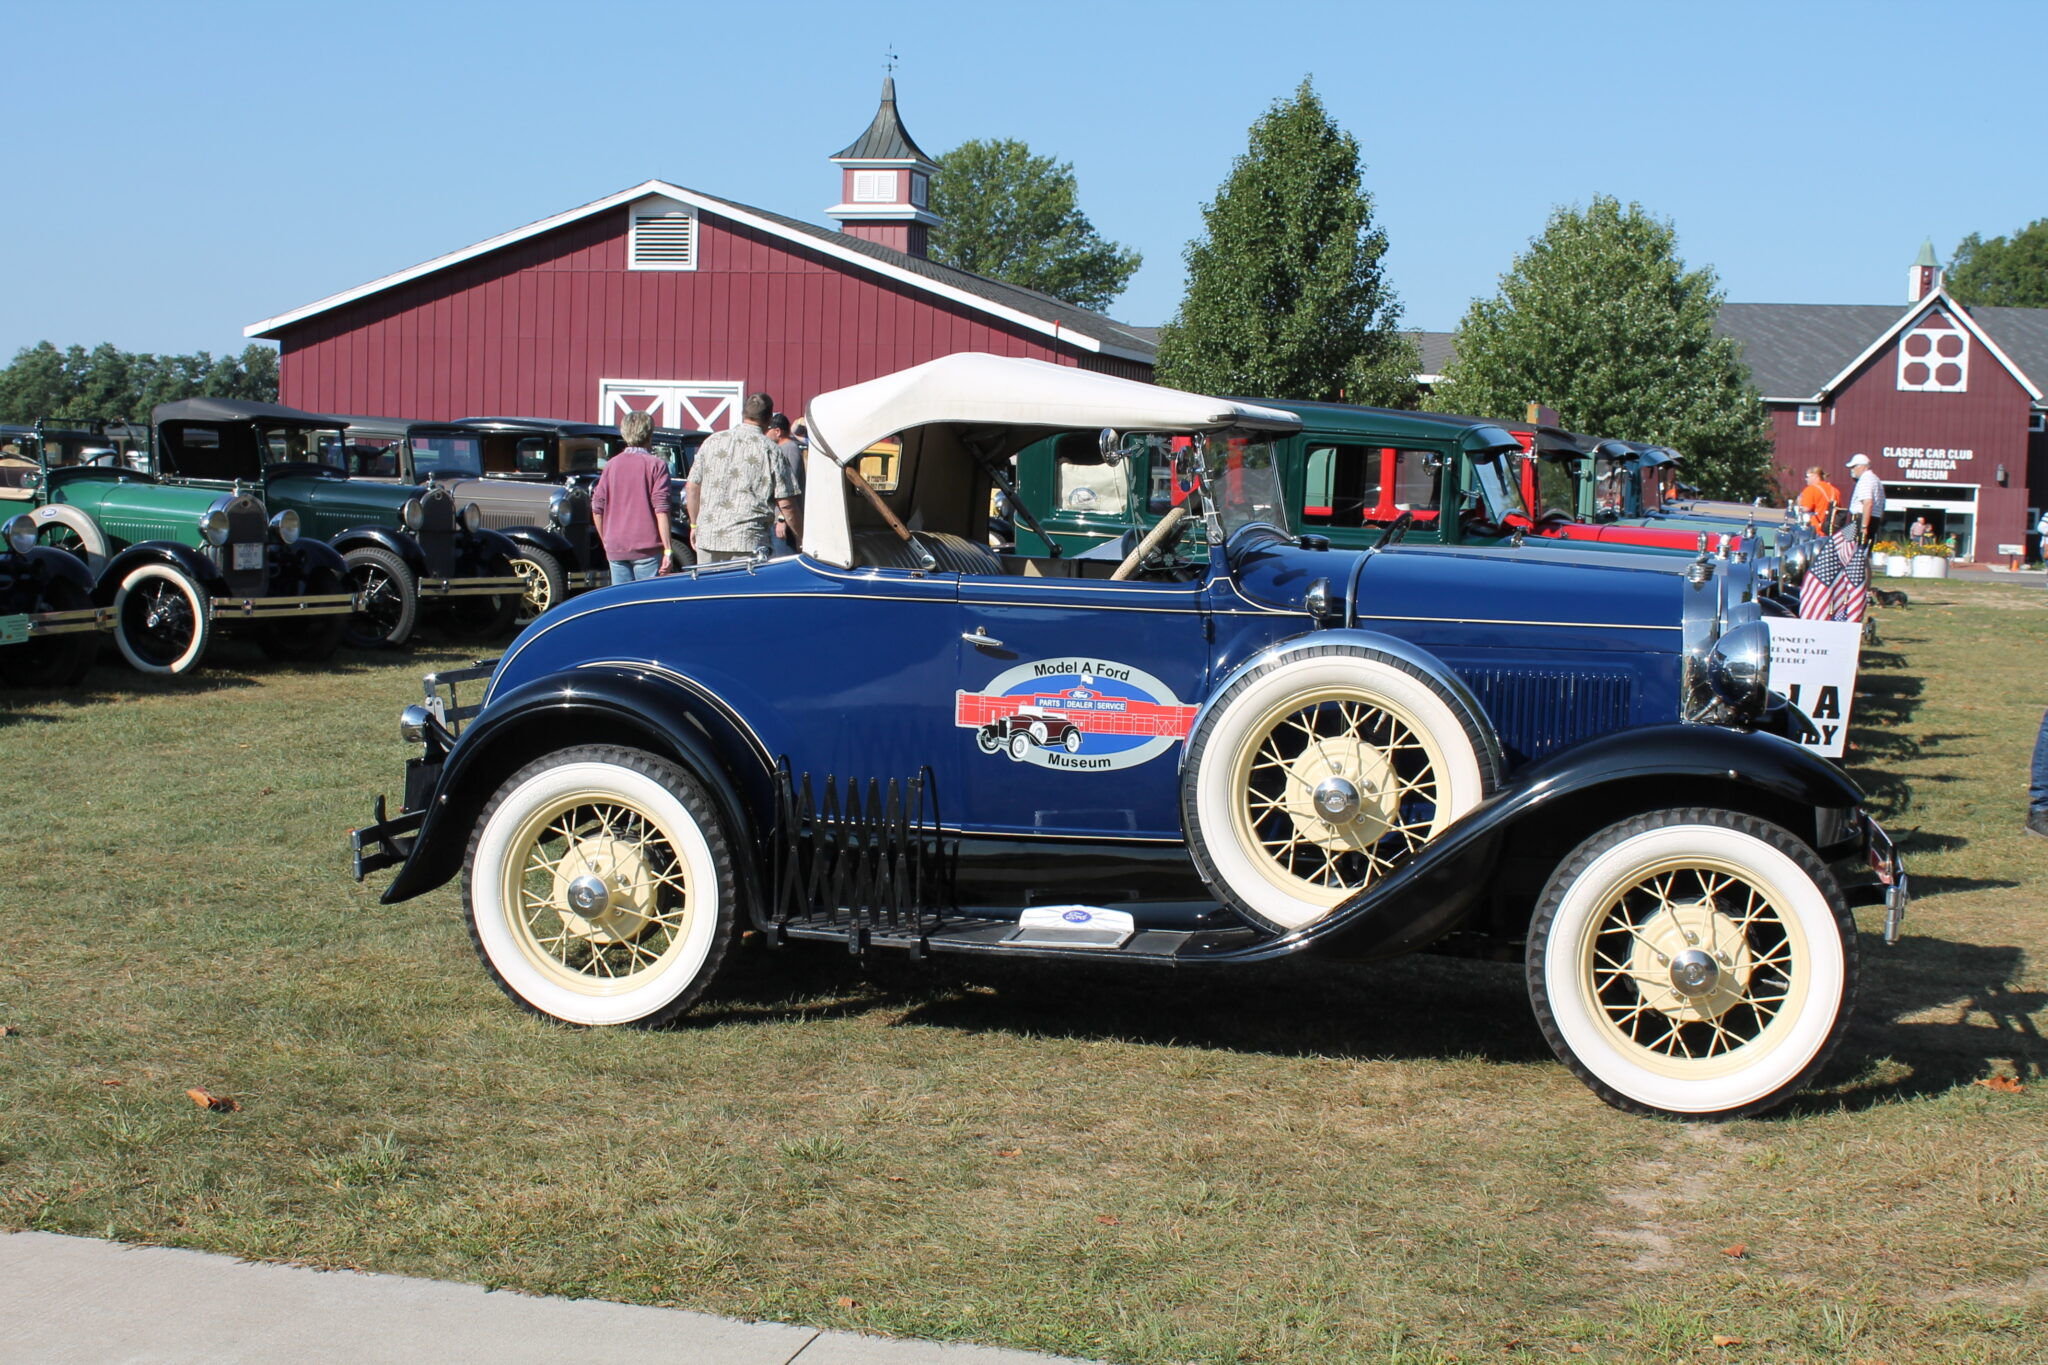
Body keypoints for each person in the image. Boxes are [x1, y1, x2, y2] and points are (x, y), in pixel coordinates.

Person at [686, 392, 800, 563]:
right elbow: (786, 504)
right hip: (748, 541)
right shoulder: (771, 450)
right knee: (743, 590)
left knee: (710, 589)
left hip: (708, 538)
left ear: (744, 415)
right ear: (769, 419)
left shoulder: (712, 441)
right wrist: (801, 537)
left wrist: (694, 525)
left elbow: (692, 487)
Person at [588, 410, 672, 583]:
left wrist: (606, 540)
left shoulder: (611, 465)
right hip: (646, 547)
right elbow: (661, 509)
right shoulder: (657, 465)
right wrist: (668, 550)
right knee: (647, 603)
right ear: (649, 434)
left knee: (622, 602)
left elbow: (597, 507)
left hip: (616, 546)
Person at [765, 411, 806, 553]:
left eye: (767, 431)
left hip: (786, 521)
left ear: (777, 431)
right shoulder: (780, 449)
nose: (765, 435)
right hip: (779, 518)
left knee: (782, 560)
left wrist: (782, 520)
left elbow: (789, 488)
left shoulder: (789, 448)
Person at [1795, 466, 1843, 534]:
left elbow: (1805, 509)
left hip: (1815, 530)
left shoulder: (1811, 489)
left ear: (1815, 476)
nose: (1806, 479)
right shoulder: (1835, 491)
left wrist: (1798, 502)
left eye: (1807, 476)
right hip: (1831, 530)